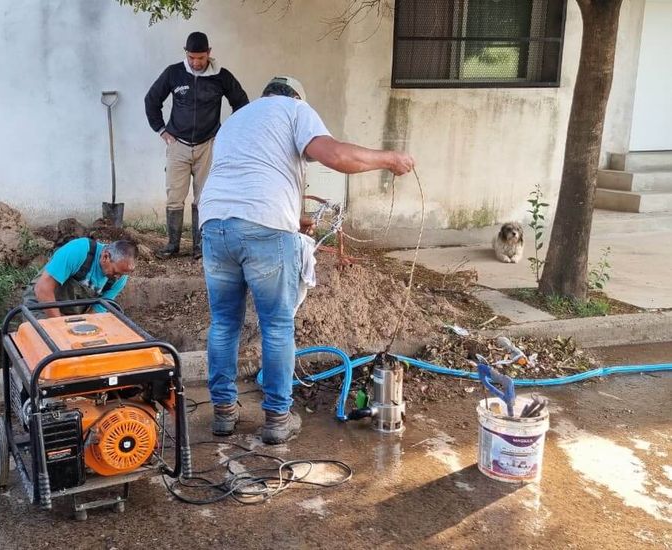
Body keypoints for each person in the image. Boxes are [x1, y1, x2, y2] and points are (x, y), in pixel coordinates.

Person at [197, 76, 415, 444]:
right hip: (264, 229)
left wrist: (290, 218)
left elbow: (248, 180)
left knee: (223, 323)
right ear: (297, 96)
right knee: (277, 326)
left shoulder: (238, 119)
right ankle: (277, 419)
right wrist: (389, 158)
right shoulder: (296, 109)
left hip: (214, 223)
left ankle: (223, 413)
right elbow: (336, 156)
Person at [144, 31, 249, 260]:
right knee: (174, 195)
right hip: (177, 144)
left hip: (208, 145)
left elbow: (242, 104)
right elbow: (151, 100)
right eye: (192, 57)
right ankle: (172, 245)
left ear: (209, 53)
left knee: (205, 197)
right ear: (186, 53)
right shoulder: (174, 73)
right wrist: (161, 130)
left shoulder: (221, 77)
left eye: (200, 58)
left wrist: (226, 135)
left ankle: (200, 247)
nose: (196, 62)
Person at [22, 238, 137, 318]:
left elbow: (96, 311)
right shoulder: (79, 251)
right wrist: (59, 325)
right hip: (41, 305)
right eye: (115, 272)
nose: (118, 277)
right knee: (48, 343)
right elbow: (42, 289)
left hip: (71, 315)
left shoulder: (119, 278)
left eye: (122, 274)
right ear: (105, 256)